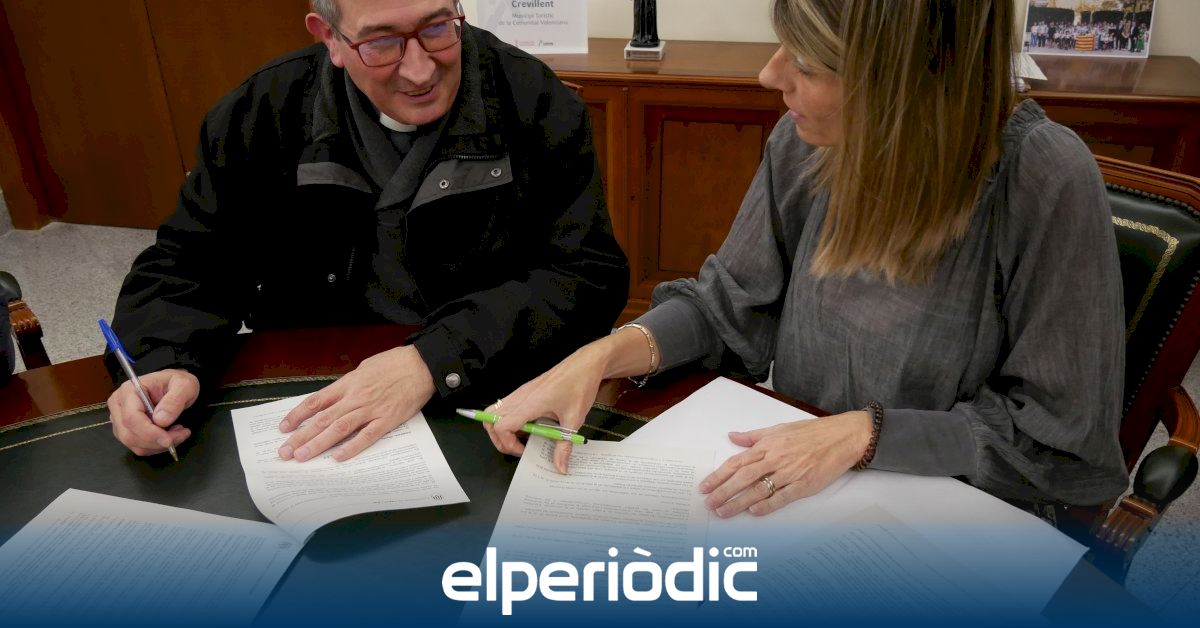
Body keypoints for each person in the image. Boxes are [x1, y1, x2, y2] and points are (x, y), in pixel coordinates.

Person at [486, 0, 1129, 519]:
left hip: (949, 516)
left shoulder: (1043, 179)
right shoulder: (806, 144)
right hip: (807, 488)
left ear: (911, 79)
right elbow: (728, 306)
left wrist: (862, 434)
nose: (770, 75)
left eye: (810, 63)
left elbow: (1059, 441)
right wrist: (603, 354)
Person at [105, 0, 629, 462]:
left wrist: (432, 360)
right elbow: (189, 263)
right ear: (329, 37)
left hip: (486, 386)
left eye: (438, 28)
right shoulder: (261, 111)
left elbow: (587, 276)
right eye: (381, 43)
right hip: (312, 396)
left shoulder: (532, 100)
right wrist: (163, 359)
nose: (420, 70)